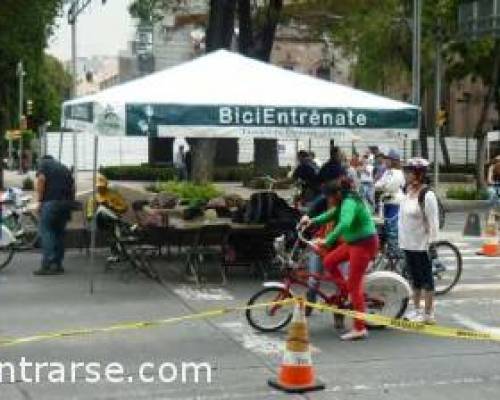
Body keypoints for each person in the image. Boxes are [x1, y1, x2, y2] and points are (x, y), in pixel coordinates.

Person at [301, 178, 379, 340]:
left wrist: (327, 241)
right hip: (352, 242)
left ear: (337, 194)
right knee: (329, 261)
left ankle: (360, 328)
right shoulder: (343, 201)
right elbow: (330, 214)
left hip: (364, 244)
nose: (328, 200)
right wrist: (311, 220)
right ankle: (346, 290)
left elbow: (344, 224)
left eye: (329, 197)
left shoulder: (349, 203)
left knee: (354, 285)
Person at [399, 158, 439, 324]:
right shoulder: (407, 192)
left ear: (418, 174)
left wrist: (432, 244)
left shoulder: (427, 195)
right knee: (414, 278)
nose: (406, 175)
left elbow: (433, 222)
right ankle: (416, 310)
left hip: (421, 245)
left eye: (409, 172)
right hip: (408, 243)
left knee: (426, 279)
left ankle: (428, 314)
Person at [35, 155, 75, 276]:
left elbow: (41, 180)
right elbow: (73, 188)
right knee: (59, 233)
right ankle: (57, 264)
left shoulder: (44, 165)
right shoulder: (65, 168)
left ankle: (47, 264)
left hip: (51, 202)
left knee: (46, 231)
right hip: (66, 203)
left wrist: (40, 201)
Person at [375, 149, 405, 260]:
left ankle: (398, 257)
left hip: (395, 204)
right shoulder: (387, 172)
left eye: (387, 159)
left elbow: (389, 187)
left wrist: (382, 186)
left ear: (393, 161)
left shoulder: (397, 173)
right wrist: (382, 186)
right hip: (387, 203)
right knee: (387, 229)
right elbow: (378, 184)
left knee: (393, 231)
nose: (385, 161)